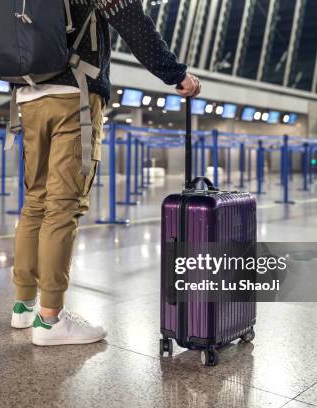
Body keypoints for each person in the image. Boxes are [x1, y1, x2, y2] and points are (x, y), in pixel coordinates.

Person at [10, 0, 201, 346]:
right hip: (75, 91)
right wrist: (177, 73)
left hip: (27, 94)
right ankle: (50, 319)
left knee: (35, 200)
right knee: (63, 205)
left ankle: (23, 306)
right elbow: (131, 21)